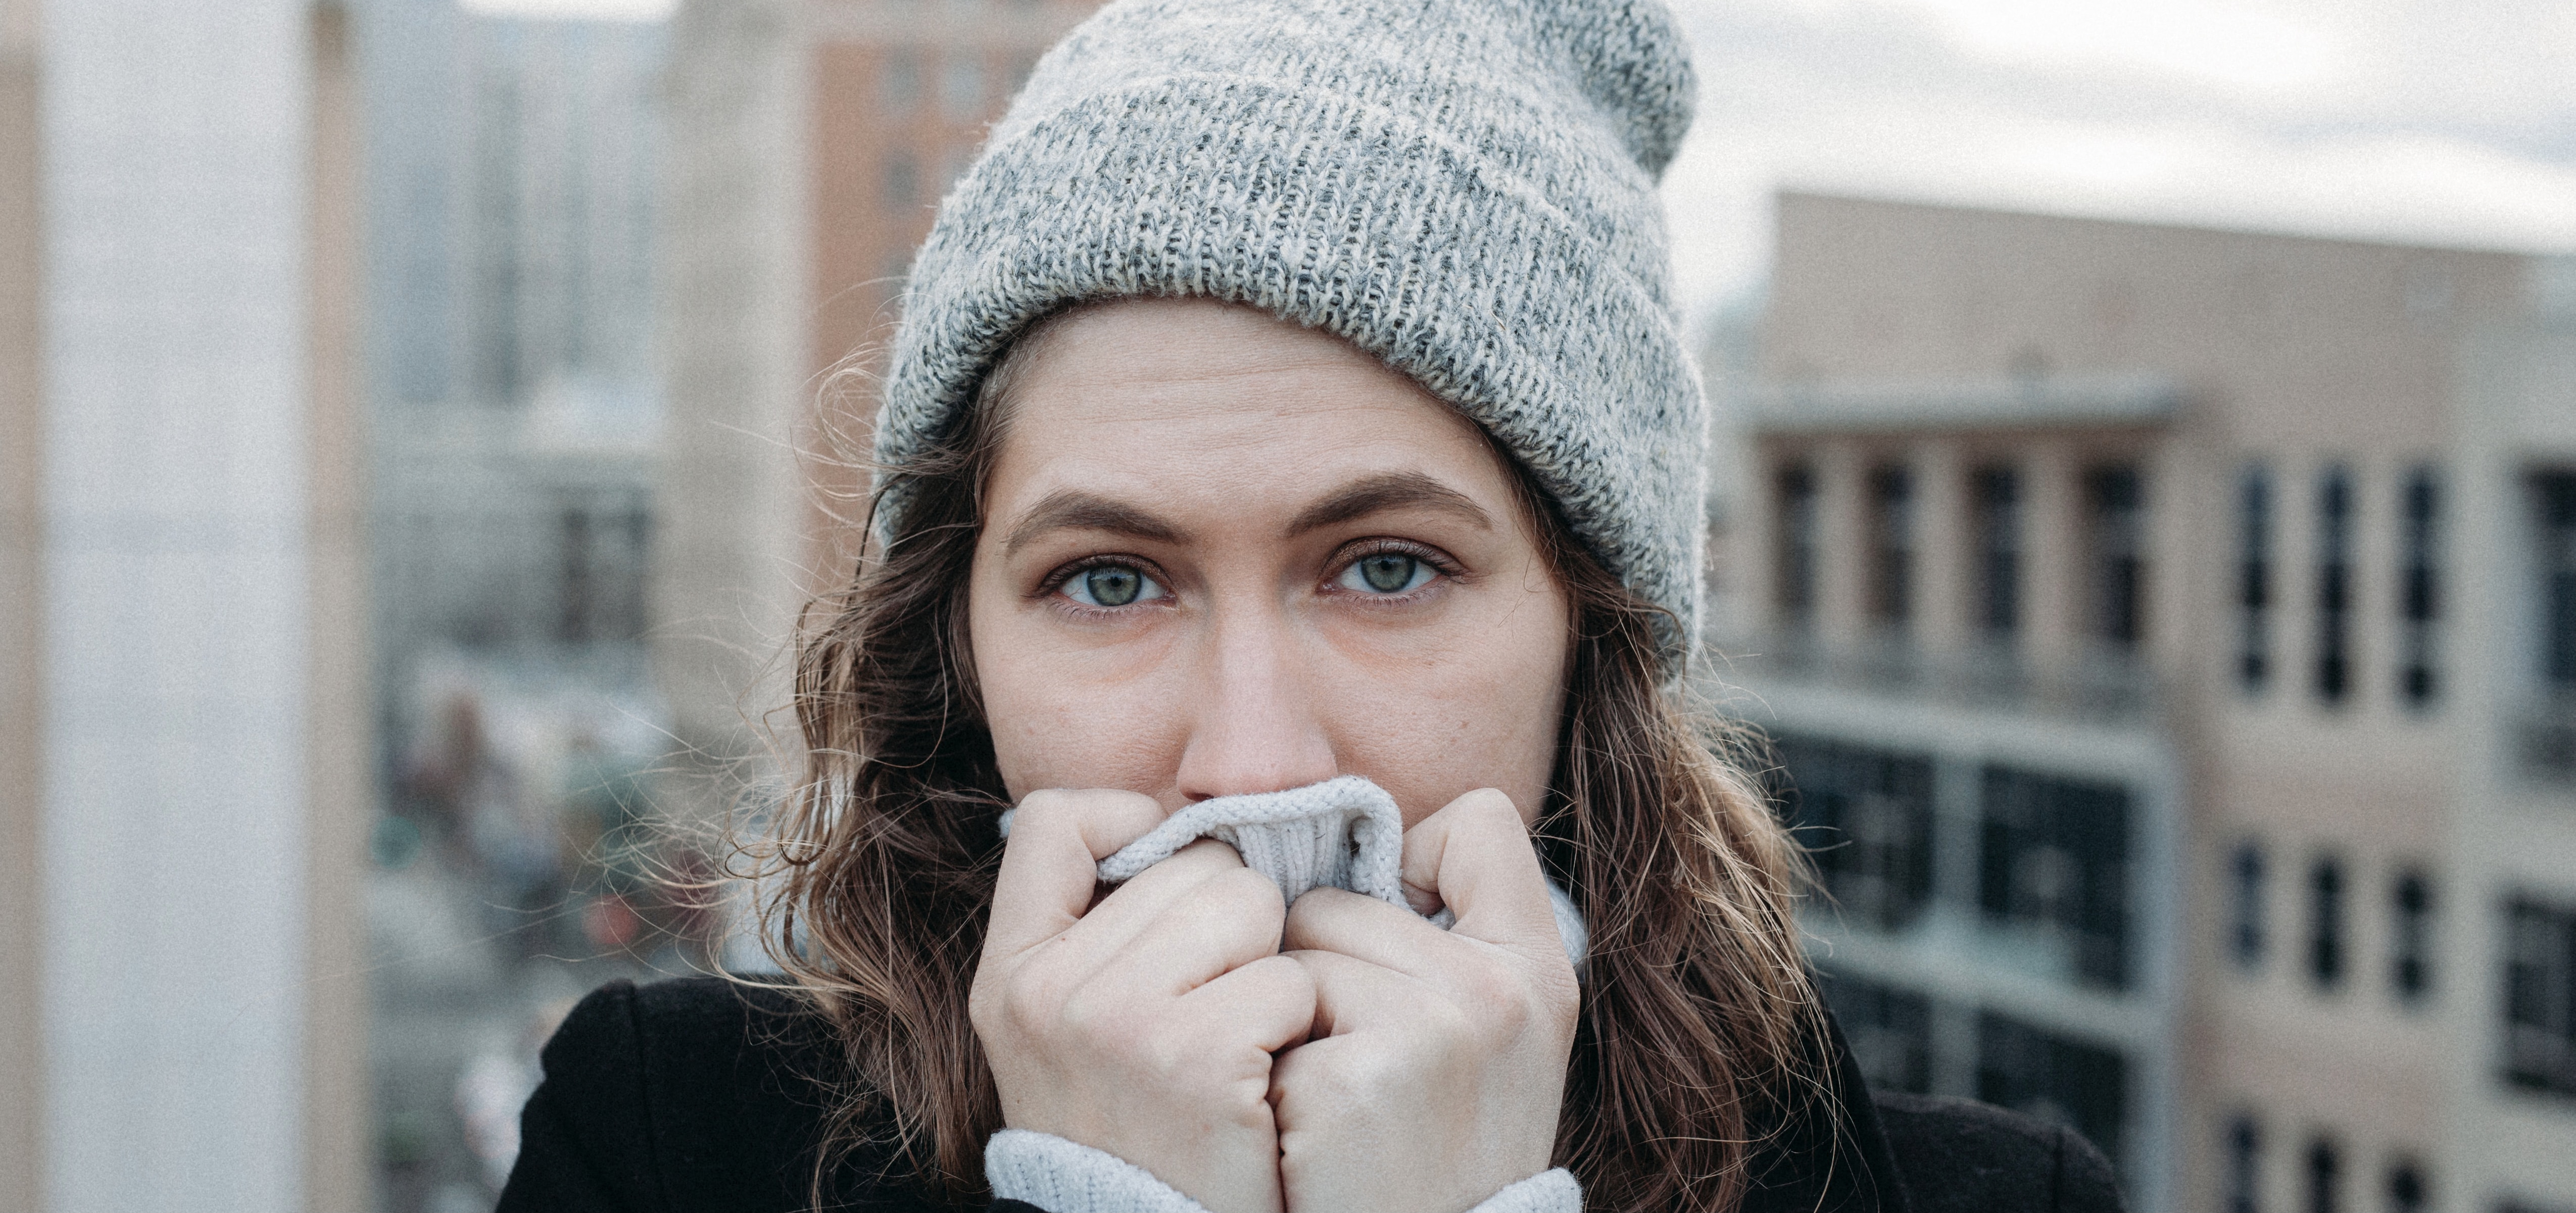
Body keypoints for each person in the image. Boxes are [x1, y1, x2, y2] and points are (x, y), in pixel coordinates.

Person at [498, 0, 2124, 1210]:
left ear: (1594, 632)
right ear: (958, 647)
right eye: (1110, 580)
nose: (1257, 764)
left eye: (1386, 568)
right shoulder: (661, 1139)